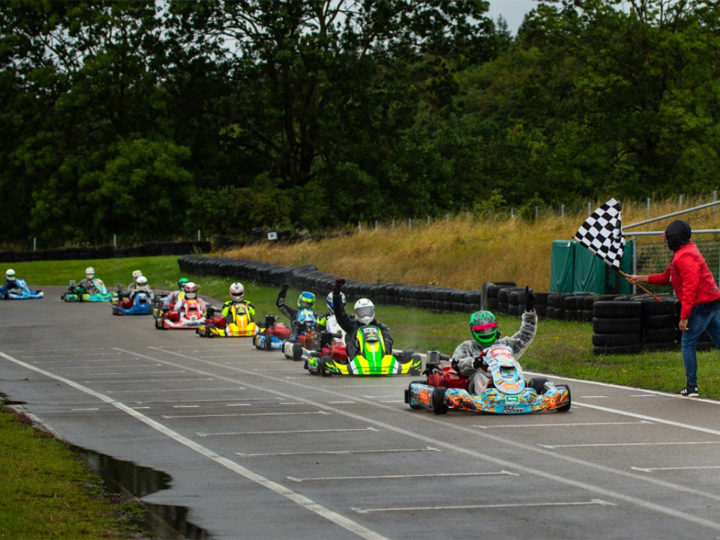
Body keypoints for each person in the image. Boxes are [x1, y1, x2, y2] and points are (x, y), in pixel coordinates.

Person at [627, 220, 720, 397]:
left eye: (667, 238)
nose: (666, 241)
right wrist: (640, 278)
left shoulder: (685, 257)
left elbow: (690, 288)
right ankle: (691, 386)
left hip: (701, 305)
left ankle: (691, 387)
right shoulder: (685, 252)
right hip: (711, 301)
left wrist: (684, 317)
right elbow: (666, 277)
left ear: (674, 240)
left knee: (687, 342)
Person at [451, 287, 537, 394]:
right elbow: (458, 363)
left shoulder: (505, 344)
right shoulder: (467, 347)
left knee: (530, 380)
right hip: (480, 386)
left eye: (488, 329)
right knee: (479, 376)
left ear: (495, 328)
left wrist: (530, 312)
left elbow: (525, 335)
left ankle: (523, 390)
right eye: (481, 331)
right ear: (473, 331)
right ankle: (489, 391)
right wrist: (474, 363)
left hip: (507, 379)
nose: (486, 333)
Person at [331, 278, 393, 359]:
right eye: (362, 312)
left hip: (381, 358)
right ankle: (355, 359)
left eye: (367, 311)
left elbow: (388, 339)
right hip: (358, 359)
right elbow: (340, 314)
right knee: (350, 342)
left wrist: (386, 342)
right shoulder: (352, 326)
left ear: (372, 311)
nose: (366, 315)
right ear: (357, 313)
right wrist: (336, 293)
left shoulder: (380, 327)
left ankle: (384, 357)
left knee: (387, 339)